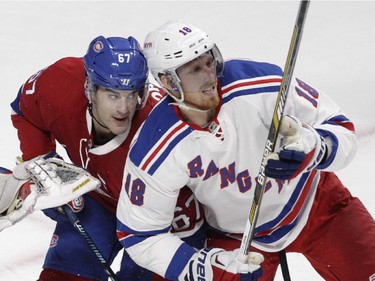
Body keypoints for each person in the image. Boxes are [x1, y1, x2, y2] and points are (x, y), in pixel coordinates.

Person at [116, 20, 375, 281]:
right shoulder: (156, 145)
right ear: (168, 82)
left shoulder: (262, 83)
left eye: (209, 61)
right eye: (195, 70)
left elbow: (341, 128)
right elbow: (139, 234)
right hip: (239, 240)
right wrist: (200, 267)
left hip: (316, 205)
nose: (209, 76)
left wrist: (316, 148)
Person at [6, 35, 204, 280]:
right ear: (90, 87)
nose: (124, 108)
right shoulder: (61, 82)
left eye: (132, 95)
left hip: (156, 226)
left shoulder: (159, 135)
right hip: (98, 203)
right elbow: (25, 110)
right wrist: (45, 165)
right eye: (113, 95)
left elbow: (189, 225)